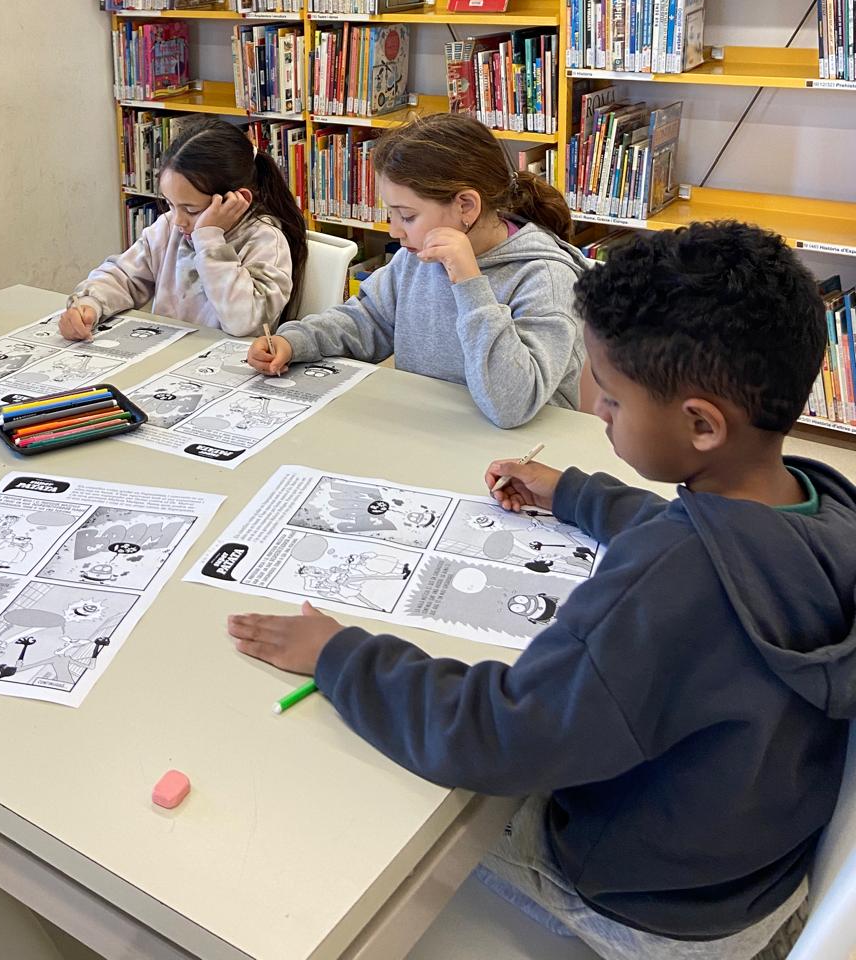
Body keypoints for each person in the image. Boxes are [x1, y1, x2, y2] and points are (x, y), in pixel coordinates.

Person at [228, 221, 856, 960]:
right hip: (748, 867)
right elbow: (717, 544)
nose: (597, 413)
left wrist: (340, 656)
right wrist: (578, 496)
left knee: (366, 796)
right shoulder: (823, 505)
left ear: (700, 425)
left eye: (612, 400)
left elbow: (499, 734)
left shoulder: (669, 581)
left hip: (643, 904)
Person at [248, 112, 584, 429]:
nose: (395, 230)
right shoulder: (417, 256)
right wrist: (296, 341)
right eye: (392, 214)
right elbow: (368, 320)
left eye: (407, 216)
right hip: (432, 430)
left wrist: (470, 282)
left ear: (466, 206)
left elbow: (512, 405)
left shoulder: (545, 277)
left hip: (522, 451)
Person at [61, 119, 306, 341]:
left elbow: (245, 322)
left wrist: (209, 240)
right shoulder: (169, 228)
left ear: (236, 199)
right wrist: (90, 304)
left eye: (191, 210)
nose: (178, 220)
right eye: (170, 204)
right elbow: (123, 276)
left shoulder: (266, 241)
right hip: (168, 356)